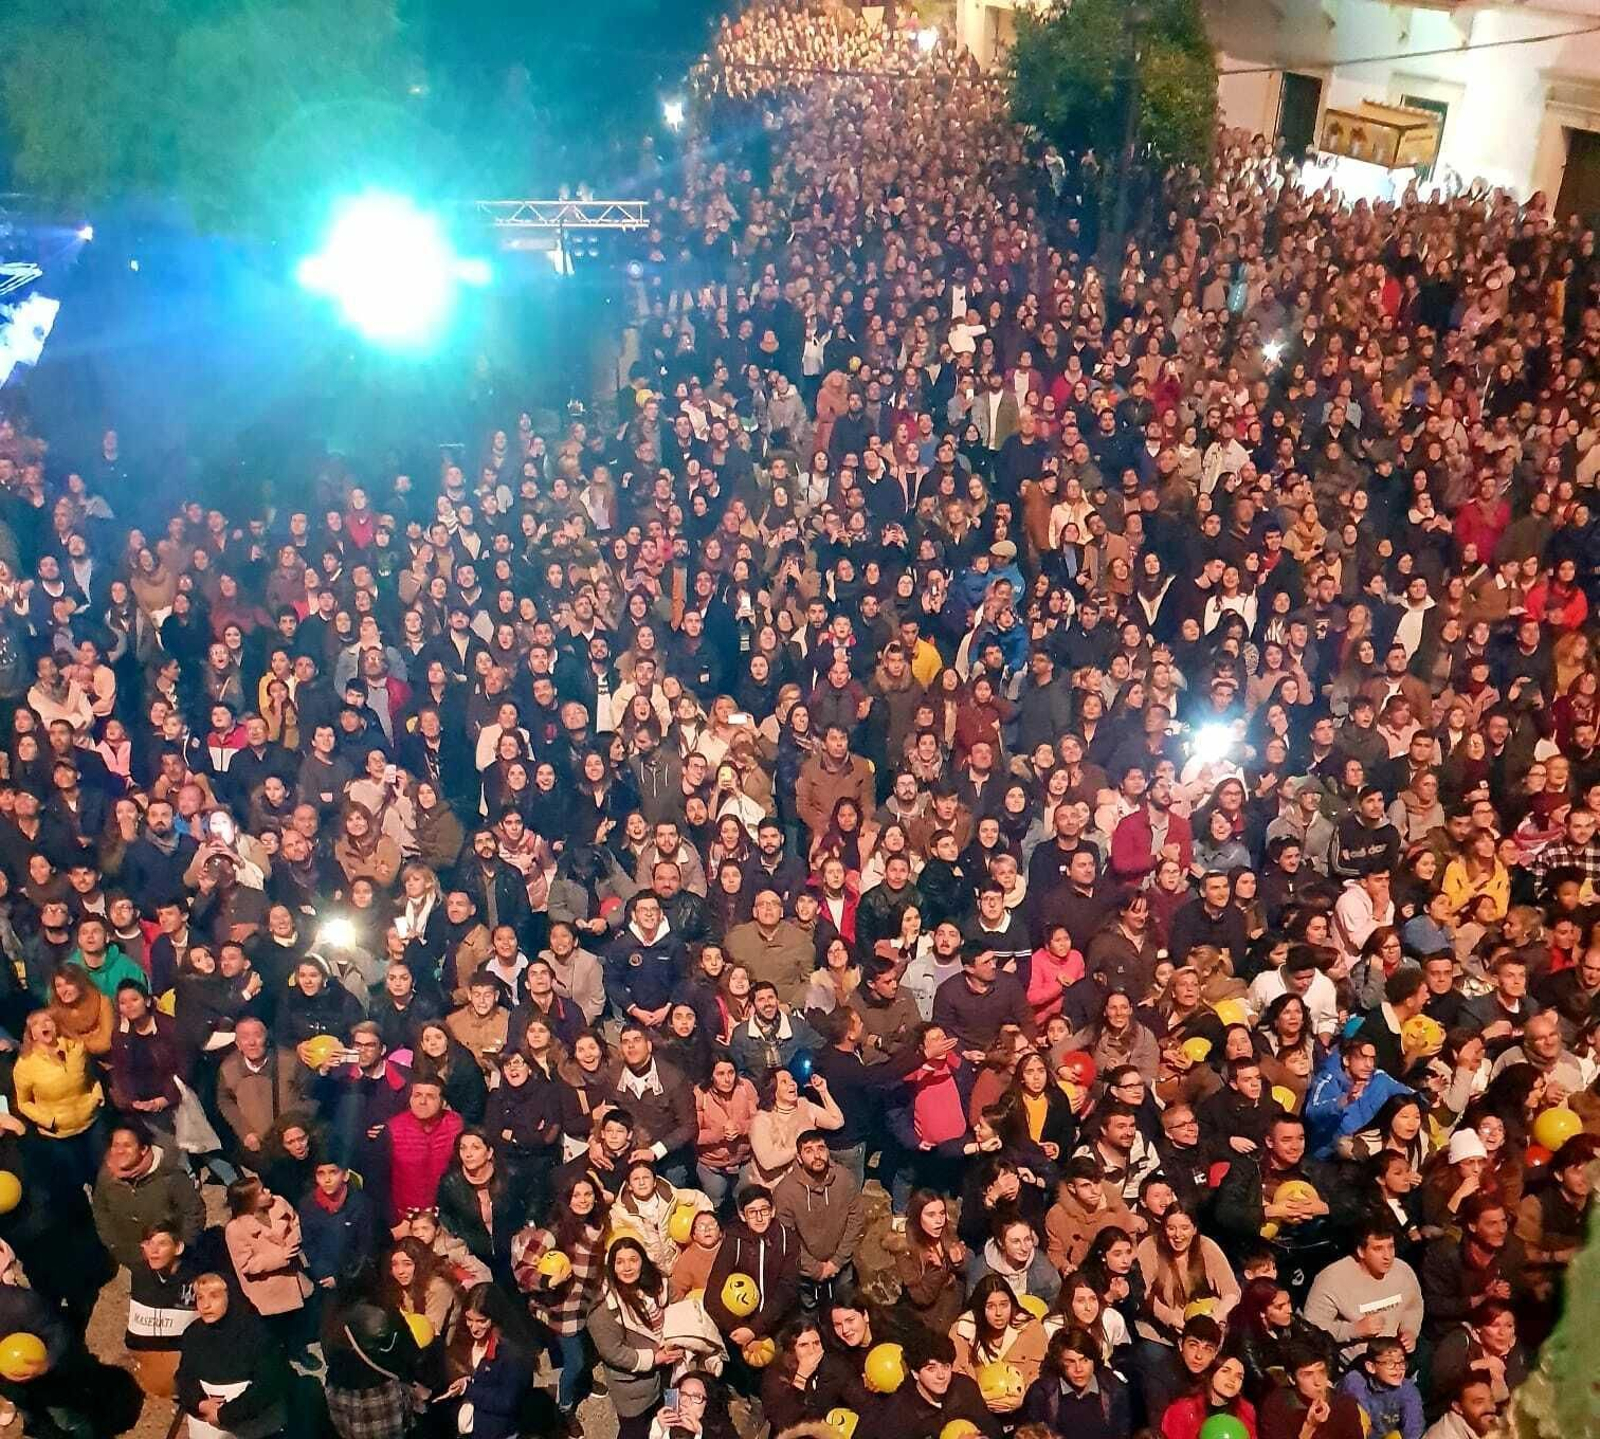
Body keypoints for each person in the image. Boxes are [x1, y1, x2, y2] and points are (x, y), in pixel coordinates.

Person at [175, 1273, 290, 1439]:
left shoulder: (257, 1334)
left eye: (214, 1296)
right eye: (200, 1298)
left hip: (255, 1431)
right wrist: (200, 1403)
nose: (206, 1305)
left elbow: (269, 1384)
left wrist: (225, 1415)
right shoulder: (193, 1334)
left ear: (231, 1296)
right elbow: (185, 1377)